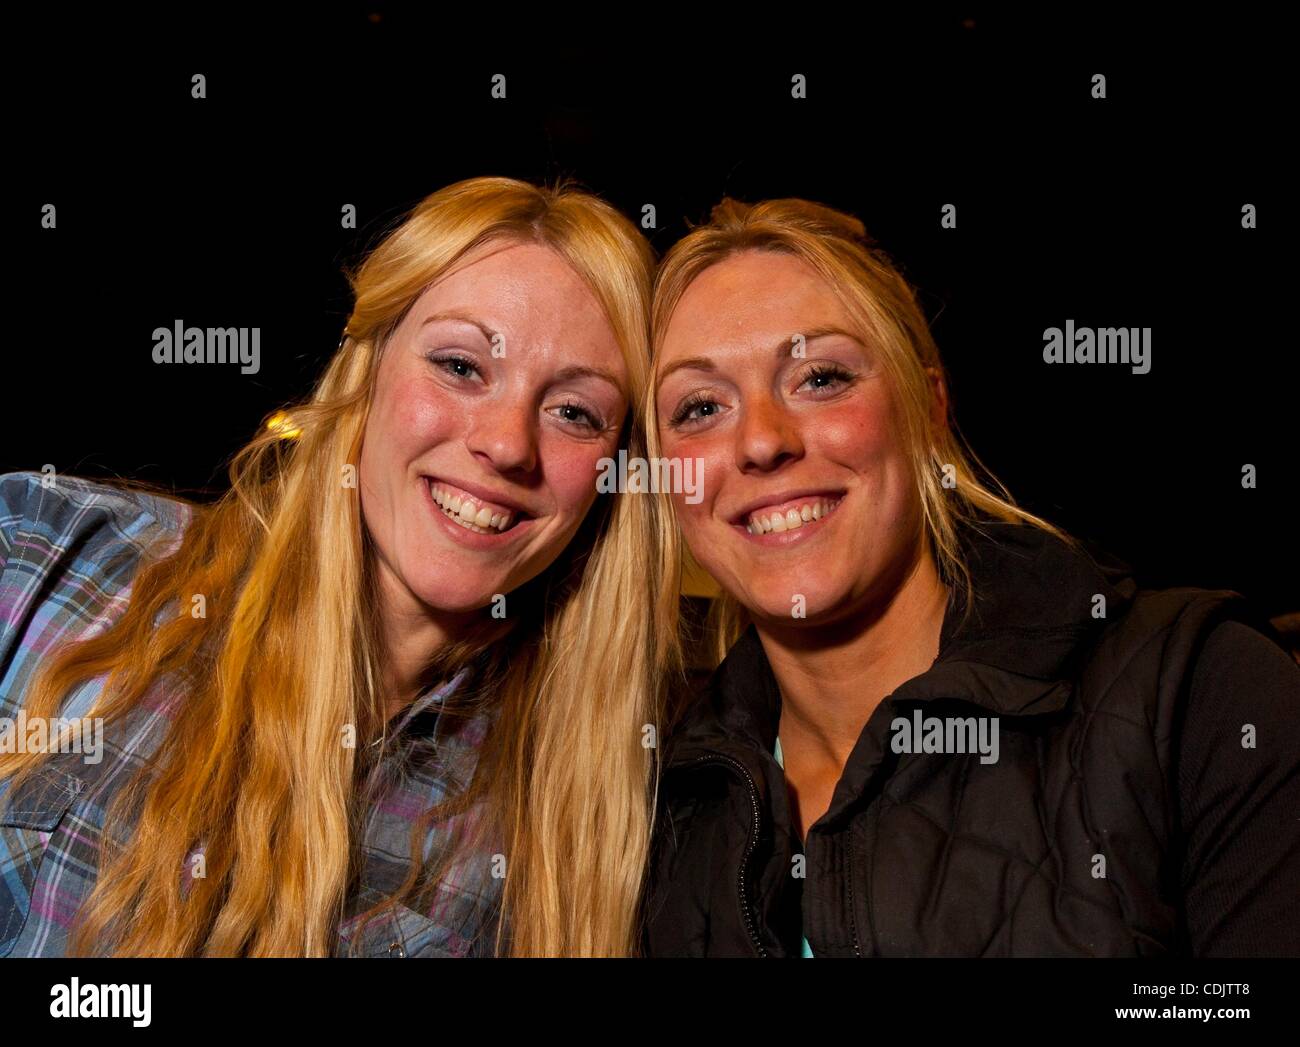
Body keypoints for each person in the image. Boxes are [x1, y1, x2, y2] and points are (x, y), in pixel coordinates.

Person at [0, 176, 664, 957]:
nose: (509, 443)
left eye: (575, 413)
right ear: (368, 368)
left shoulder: (576, 818)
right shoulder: (48, 552)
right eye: (460, 366)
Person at [640, 196, 1300, 957]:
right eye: (698, 407)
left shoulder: (1197, 692)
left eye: (819, 377)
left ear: (928, 404)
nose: (761, 440)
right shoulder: (663, 812)